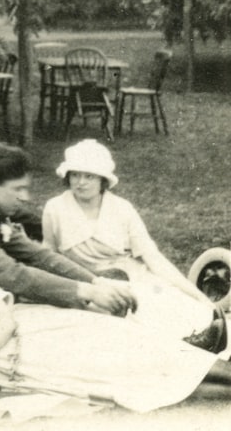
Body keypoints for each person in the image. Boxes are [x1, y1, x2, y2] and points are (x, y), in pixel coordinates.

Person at [0, 212, 231, 414]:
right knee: (126, 375)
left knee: (127, 340)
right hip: (20, 366)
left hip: (34, 330)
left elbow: (6, 317)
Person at [42, 139, 222, 348]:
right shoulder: (55, 208)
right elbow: (48, 253)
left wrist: (196, 294)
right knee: (133, 316)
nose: (81, 182)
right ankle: (184, 344)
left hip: (130, 275)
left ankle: (197, 339)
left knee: (173, 301)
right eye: (75, 175)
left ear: (102, 180)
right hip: (88, 280)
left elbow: (152, 257)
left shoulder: (121, 208)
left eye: (89, 176)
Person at [0, 142, 138, 315]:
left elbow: (39, 255)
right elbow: (11, 274)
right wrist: (87, 292)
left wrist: (97, 282)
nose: (25, 197)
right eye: (18, 189)